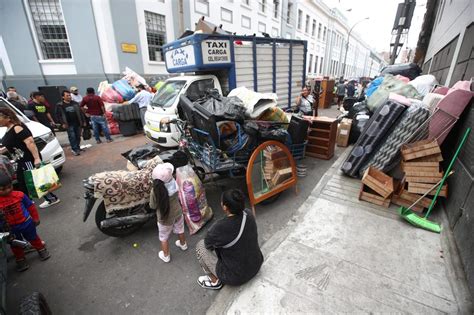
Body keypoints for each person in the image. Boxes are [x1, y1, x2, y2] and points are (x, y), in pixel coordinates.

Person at [196, 189, 263, 290]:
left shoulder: (219, 228)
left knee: (200, 246)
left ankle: (215, 282)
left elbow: (207, 244)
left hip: (236, 277)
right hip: (256, 263)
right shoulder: (248, 214)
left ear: (225, 207)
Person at [0, 108, 60, 209]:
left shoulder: (17, 127)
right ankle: (31, 201)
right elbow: (12, 144)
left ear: (8, 118)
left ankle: (48, 199)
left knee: (35, 180)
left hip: (28, 159)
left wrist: (36, 158)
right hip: (21, 160)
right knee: (26, 181)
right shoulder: (9, 129)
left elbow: (30, 142)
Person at [0, 172, 51, 271]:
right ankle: (20, 259)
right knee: (15, 244)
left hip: (26, 223)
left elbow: (30, 207)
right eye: (2, 189)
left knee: (34, 238)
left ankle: (41, 250)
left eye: (9, 187)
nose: (7, 190)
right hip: (10, 228)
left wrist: (35, 218)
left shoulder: (20, 195)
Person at [149, 163, 187, 263]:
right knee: (180, 229)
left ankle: (166, 255)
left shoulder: (155, 191)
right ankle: (183, 244)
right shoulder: (174, 183)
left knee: (163, 237)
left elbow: (152, 206)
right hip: (178, 212)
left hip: (164, 218)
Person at [56, 90, 85, 156]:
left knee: (78, 136)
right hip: (68, 124)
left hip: (77, 123)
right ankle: (74, 149)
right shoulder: (60, 105)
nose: (69, 97)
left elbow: (80, 113)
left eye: (69, 95)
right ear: (63, 97)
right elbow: (58, 115)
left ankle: (77, 147)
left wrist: (83, 121)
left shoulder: (75, 103)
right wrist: (62, 123)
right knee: (72, 137)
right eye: (67, 95)